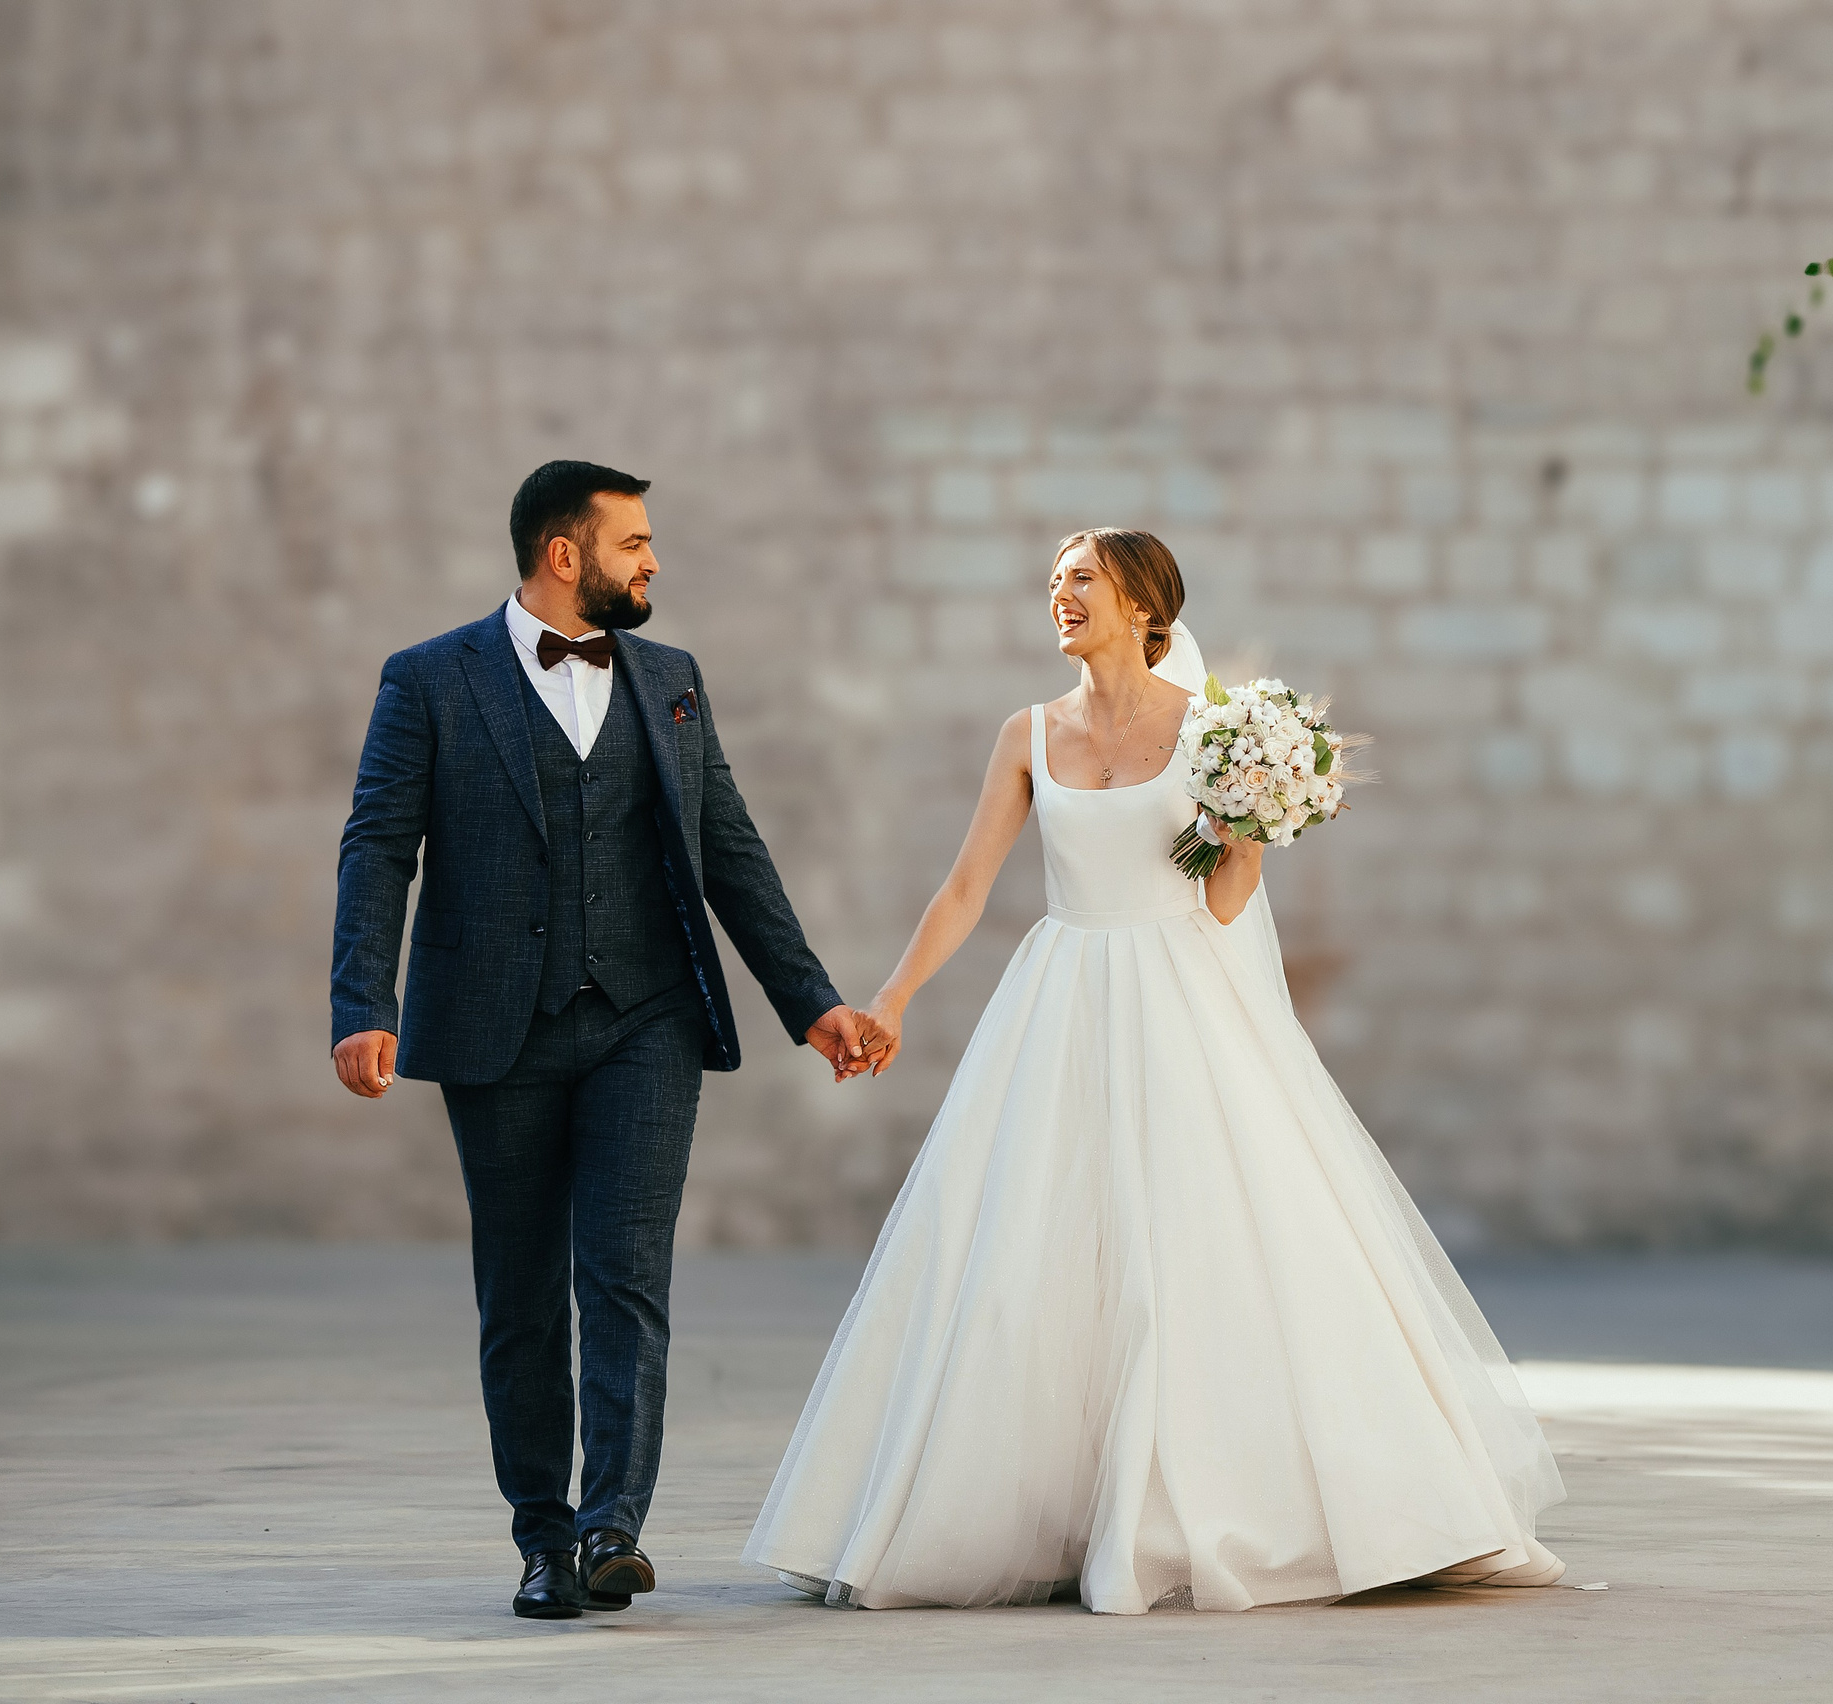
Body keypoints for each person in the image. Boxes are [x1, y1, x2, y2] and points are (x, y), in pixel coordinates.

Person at [743, 528, 1565, 1613]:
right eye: (1053, 583)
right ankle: (1045, 1512)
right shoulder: (1026, 734)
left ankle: (1252, 1508)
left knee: (1192, 1253)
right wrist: (890, 1000)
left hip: (1179, 1000)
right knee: (1037, 1252)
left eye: (1081, 580)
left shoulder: (1215, 733)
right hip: (1062, 996)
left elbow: (1223, 907)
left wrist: (1254, 824)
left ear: (1143, 604)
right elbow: (965, 889)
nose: (1060, 597)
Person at [328, 460, 885, 1619]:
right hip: (496, 1027)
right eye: (635, 542)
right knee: (520, 1295)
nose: (654, 560)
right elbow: (379, 844)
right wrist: (360, 1005)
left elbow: (728, 846)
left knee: (625, 1278)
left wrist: (811, 1000)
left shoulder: (672, 681)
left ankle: (612, 1526)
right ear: (563, 554)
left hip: (647, 1023)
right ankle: (540, 1538)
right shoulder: (429, 680)